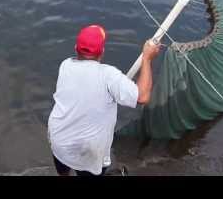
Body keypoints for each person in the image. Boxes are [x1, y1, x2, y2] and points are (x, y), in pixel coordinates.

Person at [47, 25, 161, 176]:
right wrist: (147, 59)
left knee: (63, 171)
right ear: (102, 51)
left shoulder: (65, 65)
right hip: (88, 152)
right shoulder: (109, 76)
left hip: (59, 140)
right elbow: (143, 96)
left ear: (76, 48)